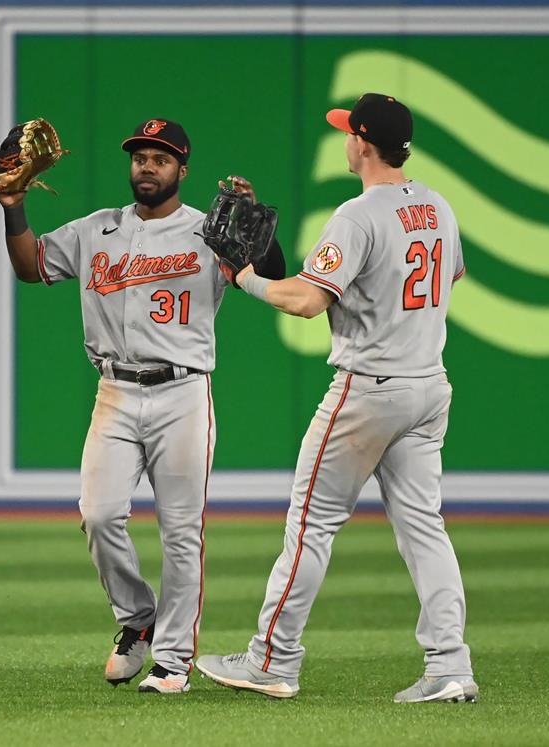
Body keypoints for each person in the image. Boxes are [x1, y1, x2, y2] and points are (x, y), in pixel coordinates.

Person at [196, 93, 478, 703]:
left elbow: (305, 301)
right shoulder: (438, 205)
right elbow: (448, 276)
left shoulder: (357, 215)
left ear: (365, 143)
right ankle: (451, 665)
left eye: (349, 132)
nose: (344, 139)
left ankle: (272, 659)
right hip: (427, 388)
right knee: (425, 529)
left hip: (368, 391)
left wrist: (244, 277)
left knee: (310, 525)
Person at [0, 119, 284, 693]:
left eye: (161, 157)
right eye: (140, 156)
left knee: (180, 532)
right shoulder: (96, 229)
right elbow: (30, 267)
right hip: (115, 392)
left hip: (182, 393)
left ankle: (173, 661)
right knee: (98, 515)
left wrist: (254, 232)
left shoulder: (209, 231)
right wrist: (13, 207)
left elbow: (272, 277)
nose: (148, 165)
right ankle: (137, 618)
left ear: (182, 170)